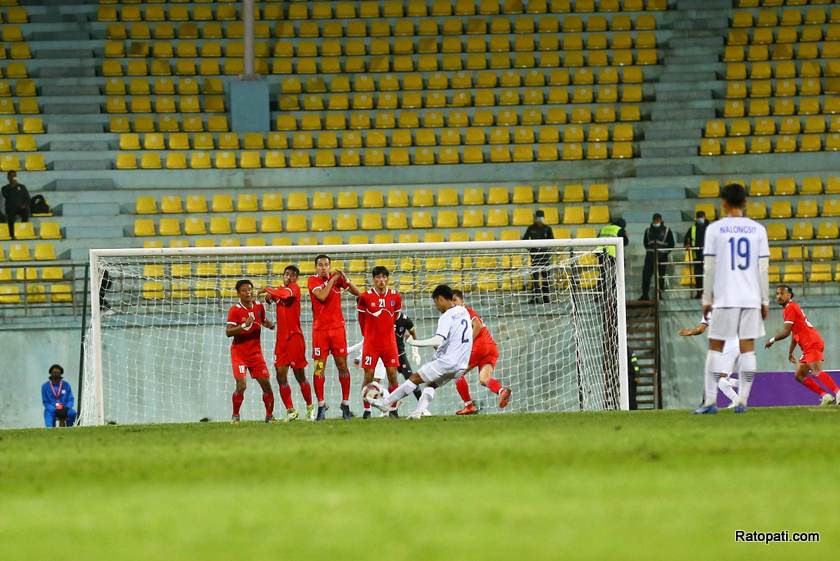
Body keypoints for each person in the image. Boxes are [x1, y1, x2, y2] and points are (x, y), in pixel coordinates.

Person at [695, 183, 769, 414]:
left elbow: (709, 267)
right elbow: (763, 268)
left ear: (724, 203)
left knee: (715, 347)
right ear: (745, 202)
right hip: (750, 298)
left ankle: (709, 403)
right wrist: (764, 300)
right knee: (748, 348)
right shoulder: (758, 230)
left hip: (725, 298)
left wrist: (707, 298)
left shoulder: (715, 229)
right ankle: (743, 401)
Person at [369, 284, 473, 419]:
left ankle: (385, 403)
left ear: (440, 299)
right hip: (462, 365)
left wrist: (413, 342)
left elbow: (437, 341)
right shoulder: (463, 311)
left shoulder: (446, 316)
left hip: (448, 361)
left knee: (414, 378)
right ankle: (417, 413)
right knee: (432, 384)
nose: (437, 307)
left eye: (436, 302)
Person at [765, 285, 840, 406]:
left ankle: (838, 392)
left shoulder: (790, 307)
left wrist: (771, 340)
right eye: (777, 294)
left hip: (811, 342)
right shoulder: (789, 309)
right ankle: (825, 396)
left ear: (789, 295)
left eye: (782, 293)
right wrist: (790, 352)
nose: (778, 296)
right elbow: (794, 334)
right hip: (806, 345)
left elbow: (786, 332)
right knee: (799, 375)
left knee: (816, 371)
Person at [308, 254, 362, 421]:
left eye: (326, 265)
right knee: (319, 368)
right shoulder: (312, 281)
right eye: (320, 265)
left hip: (337, 330)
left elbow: (358, 293)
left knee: (342, 366)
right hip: (320, 332)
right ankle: (321, 405)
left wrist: (346, 279)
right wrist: (333, 279)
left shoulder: (337, 279)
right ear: (316, 267)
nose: (323, 267)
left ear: (329, 266)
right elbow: (322, 296)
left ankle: (345, 404)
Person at [259, 265, 314, 422]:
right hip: (281, 341)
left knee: (300, 376)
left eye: (293, 275)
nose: (289, 277)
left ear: (296, 278)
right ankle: (291, 410)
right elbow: (269, 299)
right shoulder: (280, 290)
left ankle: (310, 407)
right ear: (283, 276)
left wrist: (267, 290)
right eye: (287, 274)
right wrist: (268, 297)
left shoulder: (294, 289)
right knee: (280, 376)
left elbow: (283, 295)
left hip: (295, 338)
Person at [451, 289, 511, 415]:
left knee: (456, 373)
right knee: (484, 379)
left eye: (455, 300)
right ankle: (501, 391)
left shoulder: (465, 311)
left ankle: (469, 405)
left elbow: (477, 325)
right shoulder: (458, 316)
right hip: (491, 348)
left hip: (480, 345)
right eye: (451, 301)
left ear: (462, 301)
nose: (453, 303)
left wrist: (469, 342)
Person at [225, 279, 276, 423]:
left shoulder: (259, 306)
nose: (248, 292)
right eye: (244, 290)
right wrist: (243, 325)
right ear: (238, 293)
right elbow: (228, 332)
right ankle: (235, 415)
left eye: (250, 289)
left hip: (255, 354)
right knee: (241, 386)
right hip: (239, 354)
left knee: (267, 385)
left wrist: (269, 325)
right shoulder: (235, 310)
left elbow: (262, 320)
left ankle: (269, 416)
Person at [356, 265, 402, 419]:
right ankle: (367, 409)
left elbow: (394, 316)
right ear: (373, 279)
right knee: (368, 376)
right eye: (378, 277)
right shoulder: (365, 297)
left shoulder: (395, 296)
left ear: (387, 279)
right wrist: (368, 335)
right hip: (371, 344)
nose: (381, 280)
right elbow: (361, 320)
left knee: (392, 375)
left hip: (389, 343)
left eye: (384, 277)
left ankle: (394, 409)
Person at [679, 312, 740, 408]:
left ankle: (737, 400)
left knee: (719, 380)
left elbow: (701, 329)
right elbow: (701, 328)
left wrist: (689, 332)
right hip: (731, 347)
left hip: (729, 348)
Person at [522, 209, 554, 304]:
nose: (539, 220)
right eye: (537, 218)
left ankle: (546, 298)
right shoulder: (531, 228)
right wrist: (532, 250)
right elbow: (525, 240)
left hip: (545, 256)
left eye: (540, 218)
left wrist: (545, 250)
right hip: (535, 257)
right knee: (535, 278)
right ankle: (535, 297)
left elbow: (552, 241)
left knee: (545, 277)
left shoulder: (547, 229)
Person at [640, 213, 675, 300]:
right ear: (653, 220)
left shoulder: (667, 230)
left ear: (661, 220)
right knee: (646, 276)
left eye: (658, 220)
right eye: (655, 220)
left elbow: (671, 244)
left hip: (662, 256)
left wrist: (665, 252)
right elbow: (645, 243)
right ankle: (645, 294)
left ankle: (659, 294)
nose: (656, 222)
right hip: (650, 256)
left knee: (661, 276)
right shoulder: (648, 230)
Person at [684, 210, 708, 299]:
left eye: (701, 217)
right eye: (699, 217)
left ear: (705, 217)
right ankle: (699, 292)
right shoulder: (693, 228)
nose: (700, 219)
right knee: (698, 275)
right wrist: (687, 244)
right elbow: (687, 238)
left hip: (708, 255)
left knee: (708, 275)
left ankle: (708, 293)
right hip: (696, 255)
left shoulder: (710, 228)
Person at [2, 170, 30, 239]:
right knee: (10, 217)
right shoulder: (5, 188)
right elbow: (6, 195)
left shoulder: (22, 187)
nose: (13, 177)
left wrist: (24, 205)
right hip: (11, 208)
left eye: (14, 176)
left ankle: (23, 232)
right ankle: (11, 235)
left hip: (21, 208)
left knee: (26, 213)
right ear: (8, 178)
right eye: (11, 176)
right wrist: (13, 186)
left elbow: (27, 198)